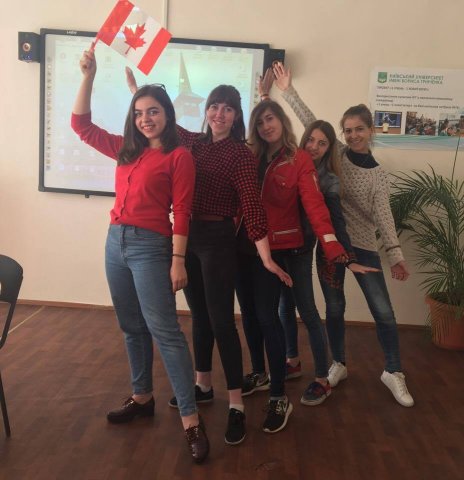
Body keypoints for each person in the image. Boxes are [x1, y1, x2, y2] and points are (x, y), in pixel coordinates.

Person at [126, 71, 292, 446]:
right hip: (186, 238)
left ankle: (236, 406)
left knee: (222, 323)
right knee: (199, 317)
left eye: (227, 109)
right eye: (214, 106)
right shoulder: (191, 142)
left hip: (218, 242)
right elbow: (163, 121)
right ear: (206, 110)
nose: (219, 113)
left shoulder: (240, 155)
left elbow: (252, 208)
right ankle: (202, 385)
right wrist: (138, 93)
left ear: (236, 116)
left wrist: (266, 258)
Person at [71, 48, 209, 464]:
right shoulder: (126, 150)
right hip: (116, 243)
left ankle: (191, 419)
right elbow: (80, 125)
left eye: (153, 112)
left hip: (152, 247)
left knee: (165, 331)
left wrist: (178, 260)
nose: (145, 119)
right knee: (131, 326)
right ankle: (142, 396)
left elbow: (182, 210)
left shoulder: (179, 156)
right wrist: (89, 75)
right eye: (138, 113)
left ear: (167, 114)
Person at [270, 62, 414, 407]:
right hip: (331, 248)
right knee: (334, 308)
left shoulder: (379, 175)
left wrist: (396, 257)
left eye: (359, 129)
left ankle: (393, 371)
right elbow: (310, 123)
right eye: (347, 130)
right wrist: (288, 91)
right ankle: (338, 364)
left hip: (363, 248)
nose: (353, 135)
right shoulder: (336, 154)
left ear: (371, 130)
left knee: (383, 312)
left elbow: (384, 218)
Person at [236, 98, 348, 421]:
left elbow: (315, 206)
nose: (266, 126)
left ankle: (322, 378)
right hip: (256, 248)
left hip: (291, 248)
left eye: (270, 119)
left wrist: (333, 247)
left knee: (305, 310)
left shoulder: (298, 159)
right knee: (272, 311)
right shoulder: (251, 154)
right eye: (260, 122)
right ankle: (286, 363)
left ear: (282, 121)